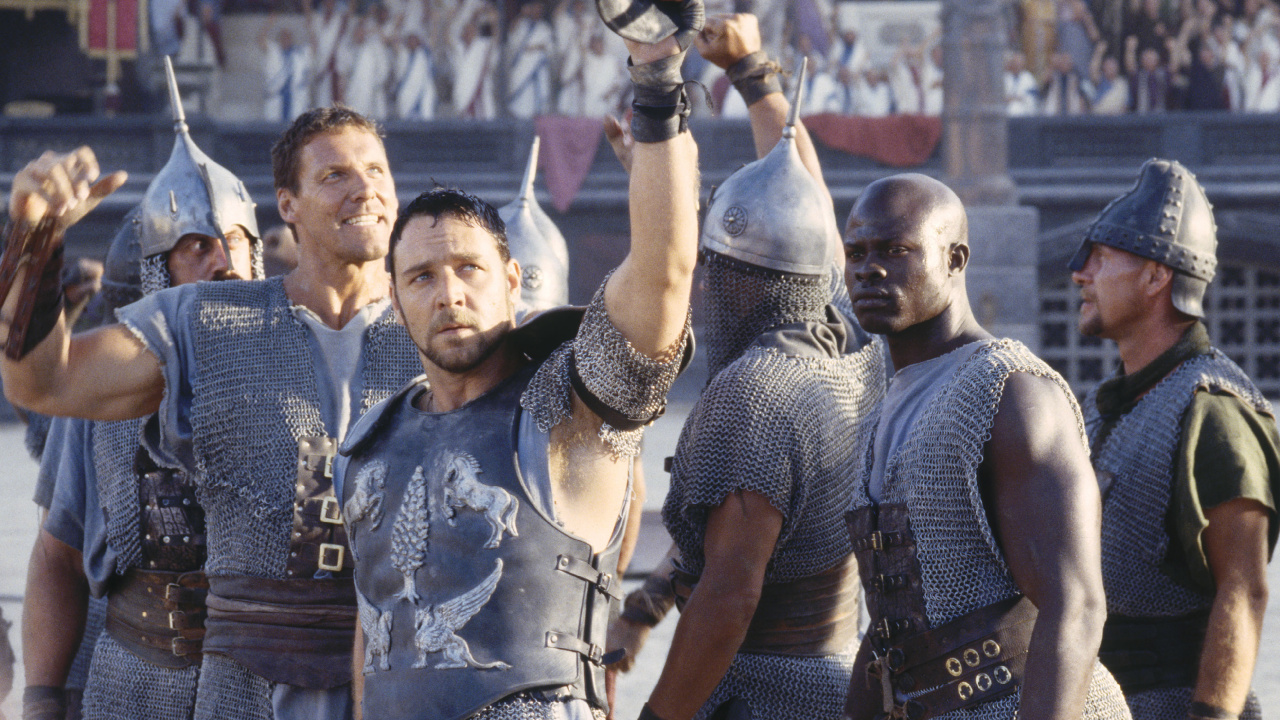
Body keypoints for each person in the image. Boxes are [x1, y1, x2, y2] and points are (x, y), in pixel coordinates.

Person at [334, 1, 703, 717]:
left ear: (511, 281)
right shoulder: (369, 441)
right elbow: (375, 635)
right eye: (422, 277)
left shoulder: (566, 411)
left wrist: (657, 76)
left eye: (469, 269)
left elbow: (662, 276)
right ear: (394, 300)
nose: (449, 293)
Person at [0, 103, 422, 720]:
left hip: (405, 683)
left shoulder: (445, 330)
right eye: (335, 175)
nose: (364, 188)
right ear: (287, 204)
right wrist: (34, 241)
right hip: (243, 688)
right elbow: (44, 383)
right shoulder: (203, 324)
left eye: (376, 170)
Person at [610, 15, 887, 720]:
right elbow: (808, 211)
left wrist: (658, 716)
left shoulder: (756, 394)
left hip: (761, 694)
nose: (705, 283)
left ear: (730, 277)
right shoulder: (854, 345)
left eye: (714, 269)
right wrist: (753, 73)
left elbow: (730, 597)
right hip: (843, 680)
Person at [840, 173, 1130, 720]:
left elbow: (1076, 607)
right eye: (856, 252)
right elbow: (892, 623)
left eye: (896, 250)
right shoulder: (882, 407)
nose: (868, 269)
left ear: (955, 259)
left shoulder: (1011, 391)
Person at [1068, 159, 1280, 720]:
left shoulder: (1215, 410)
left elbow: (1243, 590)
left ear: (1156, 276)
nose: (1081, 274)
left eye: (1102, 256)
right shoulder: (1106, 405)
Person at [506, 1, 556, 118]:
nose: (537, 11)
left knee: (537, 105)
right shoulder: (521, 25)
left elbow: (551, 49)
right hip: (522, 68)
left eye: (540, 9)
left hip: (538, 71)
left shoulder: (545, 28)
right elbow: (512, 41)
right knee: (521, 103)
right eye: (535, 8)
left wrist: (536, 48)